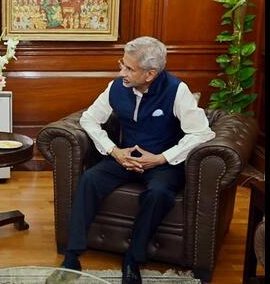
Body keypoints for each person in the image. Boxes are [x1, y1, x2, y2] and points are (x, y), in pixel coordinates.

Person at [50, 36, 216, 284]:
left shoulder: (176, 91)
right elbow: (89, 119)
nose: (122, 72)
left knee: (158, 193)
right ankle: (72, 256)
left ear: (150, 74)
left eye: (129, 68)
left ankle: (133, 259)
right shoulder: (116, 87)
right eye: (122, 64)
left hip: (163, 163)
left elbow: (202, 132)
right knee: (89, 179)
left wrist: (162, 158)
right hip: (125, 157)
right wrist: (113, 150)